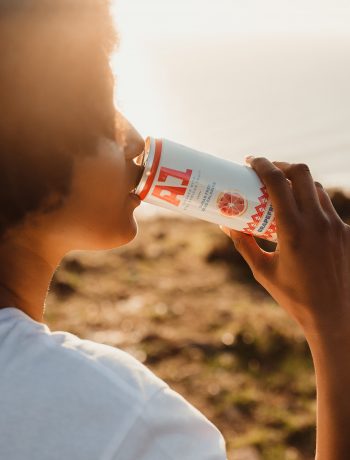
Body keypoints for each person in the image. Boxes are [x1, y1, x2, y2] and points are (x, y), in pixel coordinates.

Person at [0, 1, 349, 460]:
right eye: (106, 108)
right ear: (34, 140)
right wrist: (336, 329)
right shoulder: (120, 419)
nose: (136, 137)